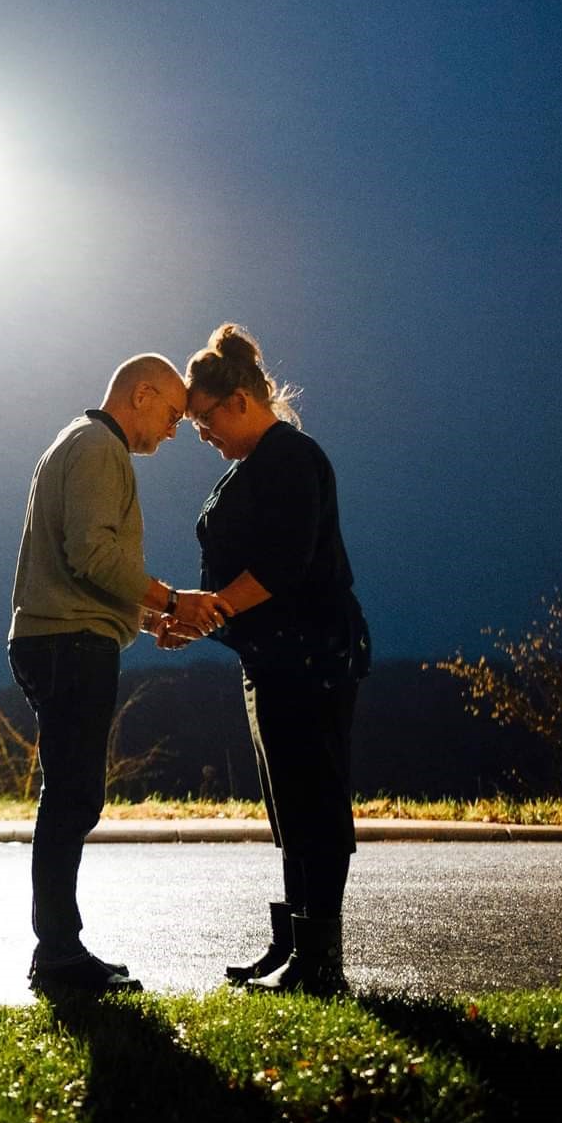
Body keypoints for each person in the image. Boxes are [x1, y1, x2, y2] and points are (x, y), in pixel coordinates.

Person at [160, 323, 370, 997]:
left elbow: (282, 565)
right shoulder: (252, 464)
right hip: (271, 657)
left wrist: (211, 608)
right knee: (289, 806)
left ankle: (321, 962)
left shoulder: (292, 457)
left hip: (312, 654)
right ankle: (293, 946)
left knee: (315, 801)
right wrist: (194, 620)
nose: (201, 434)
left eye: (205, 419)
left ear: (241, 400)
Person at [7, 353, 227, 994]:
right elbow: (93, 553)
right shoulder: (100, 449)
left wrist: (143, 615)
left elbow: (80, 562)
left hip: (58, 638)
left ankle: (58, 951)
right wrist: (172, 601)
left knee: (69, 797)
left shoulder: (76, 441)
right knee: (72, 799)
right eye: (173, 414)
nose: (175, 430)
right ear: (142, 394)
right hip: (71, 644)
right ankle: (58, 957)